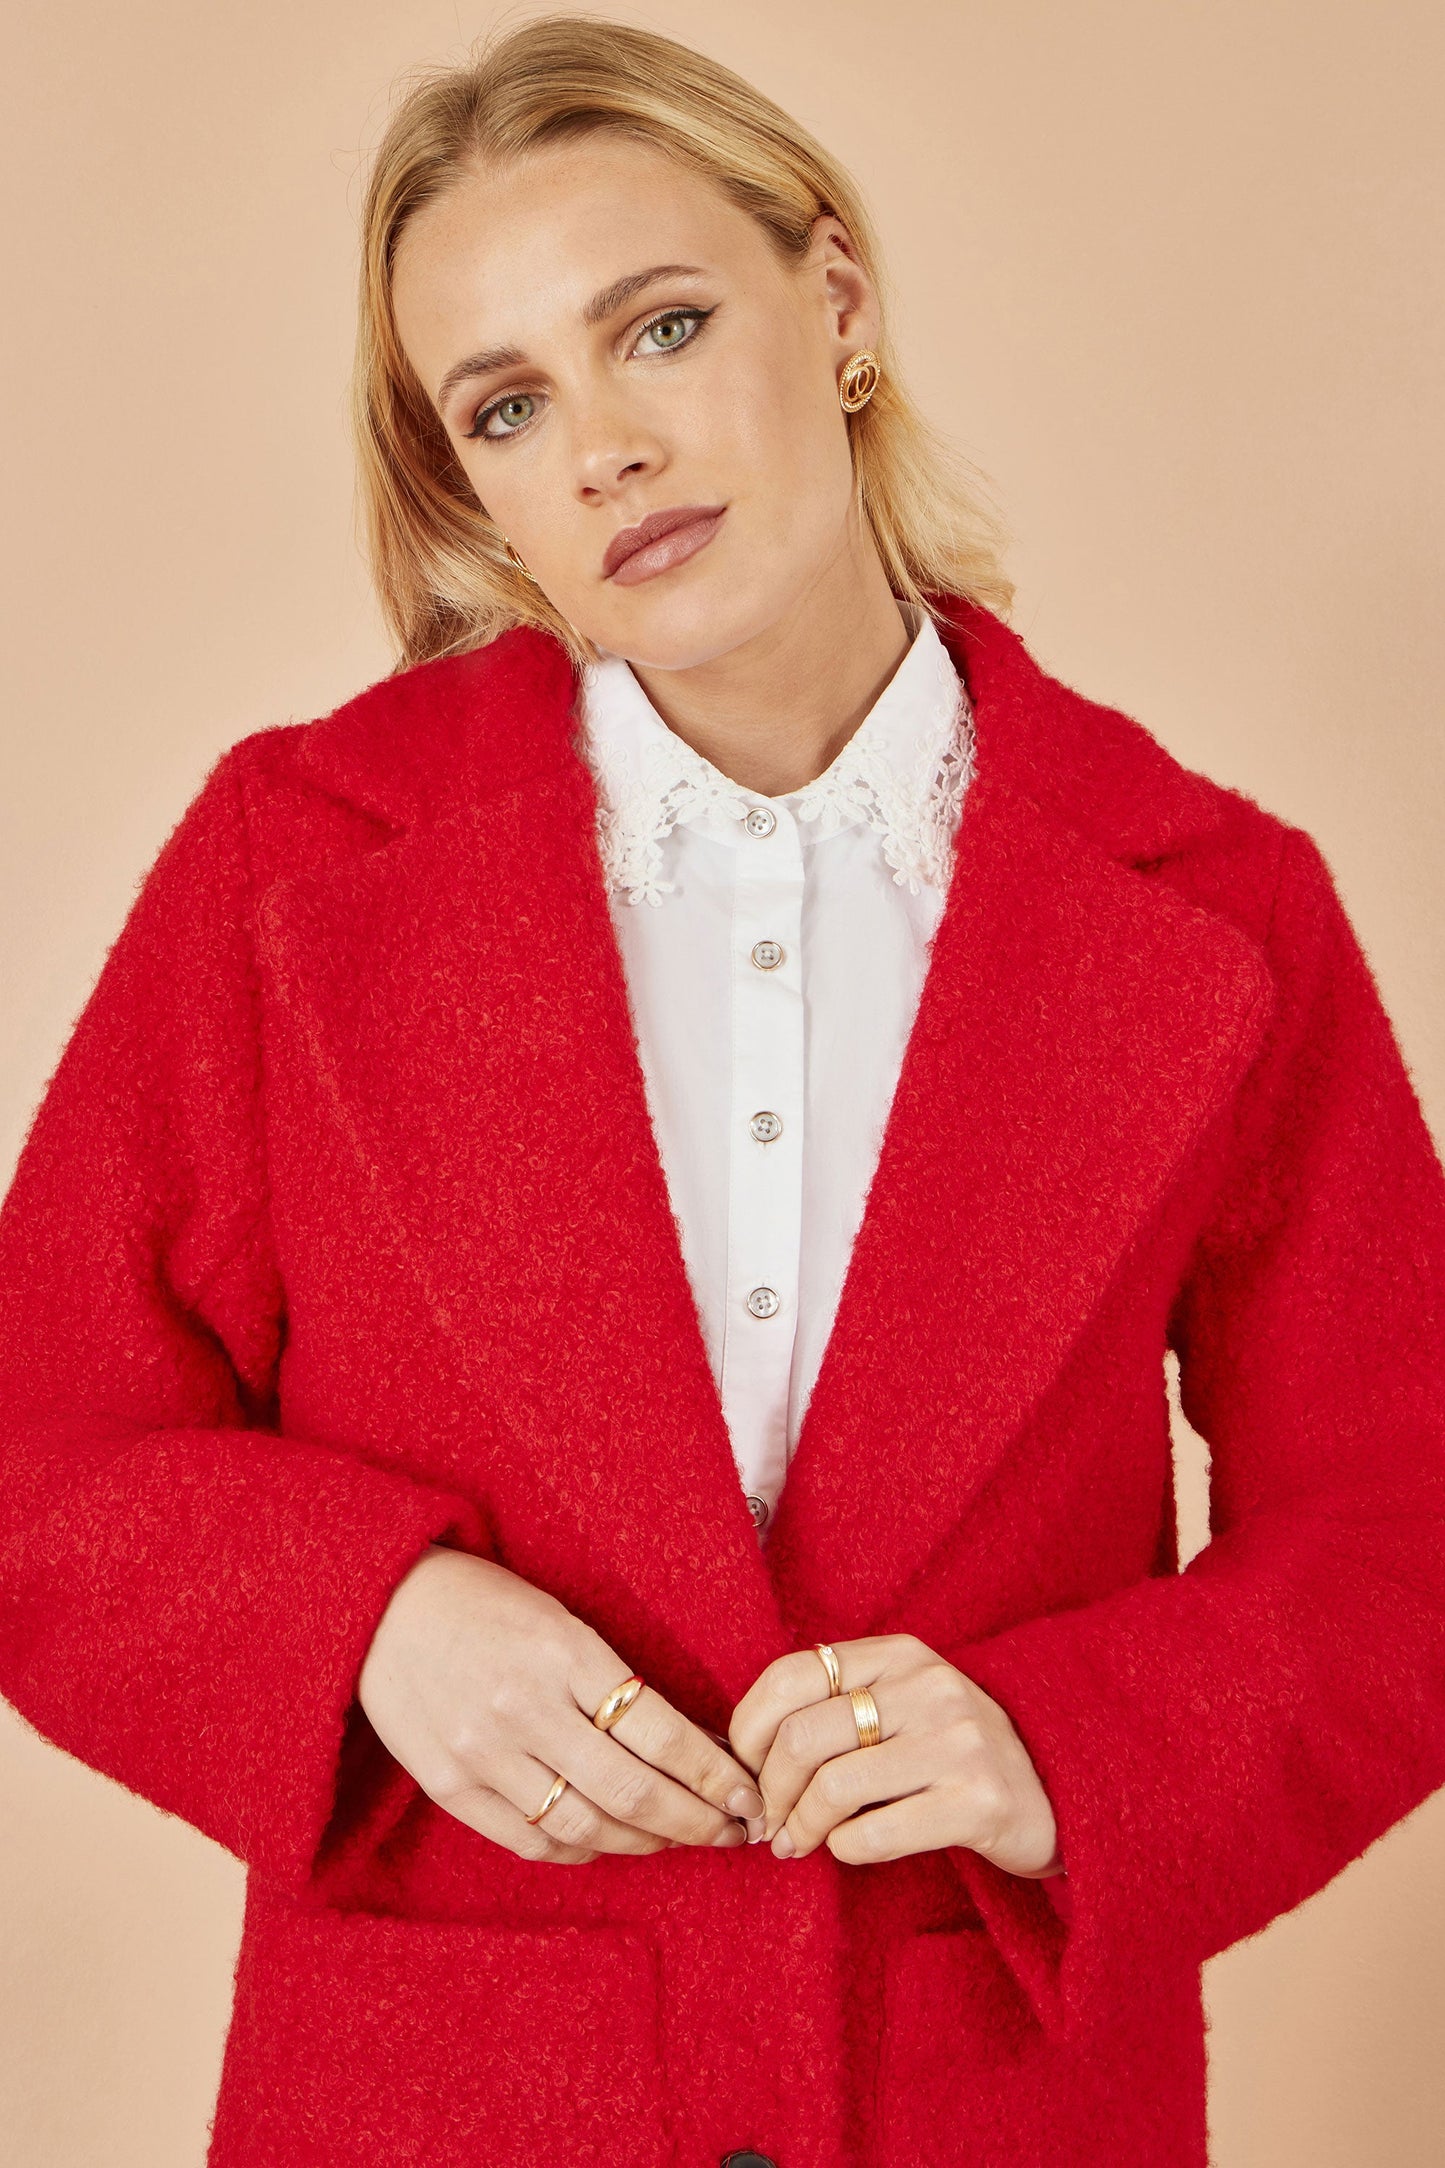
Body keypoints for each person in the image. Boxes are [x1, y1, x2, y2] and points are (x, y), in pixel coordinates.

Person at [1, 15, 1443, 2167]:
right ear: (469, 482)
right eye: (508, 405)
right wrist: (362, 1614)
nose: (602, 448)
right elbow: (45, 1441)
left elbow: (1398, 1524)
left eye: (658, 326)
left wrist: (1069, 1744)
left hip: (997, 2101)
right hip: (433, 2093)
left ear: (837, 305)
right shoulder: (298, 875)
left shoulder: (1216, 914)